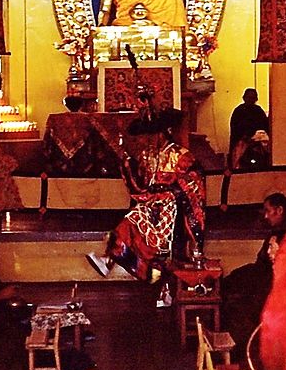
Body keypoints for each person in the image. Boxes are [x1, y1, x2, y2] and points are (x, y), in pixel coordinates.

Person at [86, 107, 205, 284]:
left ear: (166, 132)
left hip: (172, 208)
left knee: (145, 227)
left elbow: (194, 182)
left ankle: (149, 272)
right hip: (150, 205)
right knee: (129, 221)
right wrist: (126, 164)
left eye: (154, 133)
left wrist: (169, 192)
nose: (149, 138)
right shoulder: (148, 155)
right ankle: (108, 259)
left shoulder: (181, 155)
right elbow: (141, 184)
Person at [221, 192, 286, 350]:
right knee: (231, 279)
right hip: (265, 272)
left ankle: (247, 347)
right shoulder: (281, 226)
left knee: (240, 302)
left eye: (268, 211)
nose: (266, 216)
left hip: (278, 279)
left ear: (279, 210)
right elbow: (263, 260)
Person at [229, 88, 269, 170]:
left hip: (257, 145)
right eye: (249, 97)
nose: (251, 100)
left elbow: (265, 127)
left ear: (256, 99)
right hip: (242, 144)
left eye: (253, 98)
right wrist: (245, 138)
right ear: (244, 98)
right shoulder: (239, 111)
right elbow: (235, 129)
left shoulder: (258, 111)